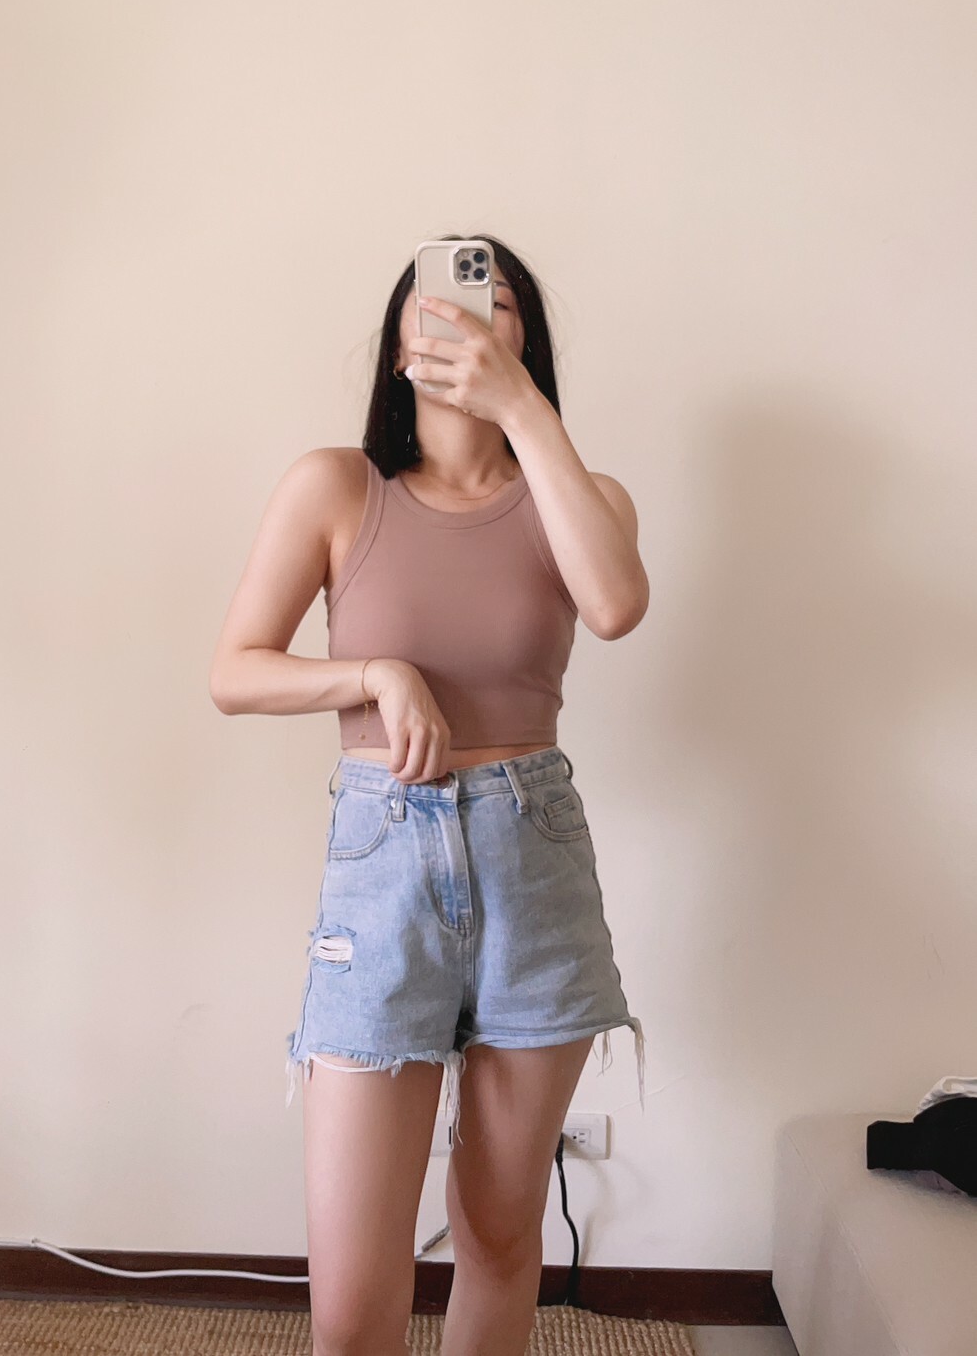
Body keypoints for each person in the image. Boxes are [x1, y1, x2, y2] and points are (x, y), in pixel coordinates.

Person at [209, 234, 649, 1356]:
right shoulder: (336, 487)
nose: (464, 314)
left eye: (495, 302)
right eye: (438, 296)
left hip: (532, 859)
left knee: (498, 1233)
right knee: (355, 1289)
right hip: (383, 868)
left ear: (525, 340)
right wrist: (372, 675)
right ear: (398, 341)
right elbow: (235, 671)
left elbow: (613, 606)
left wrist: (524, 413)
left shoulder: (581, 497)